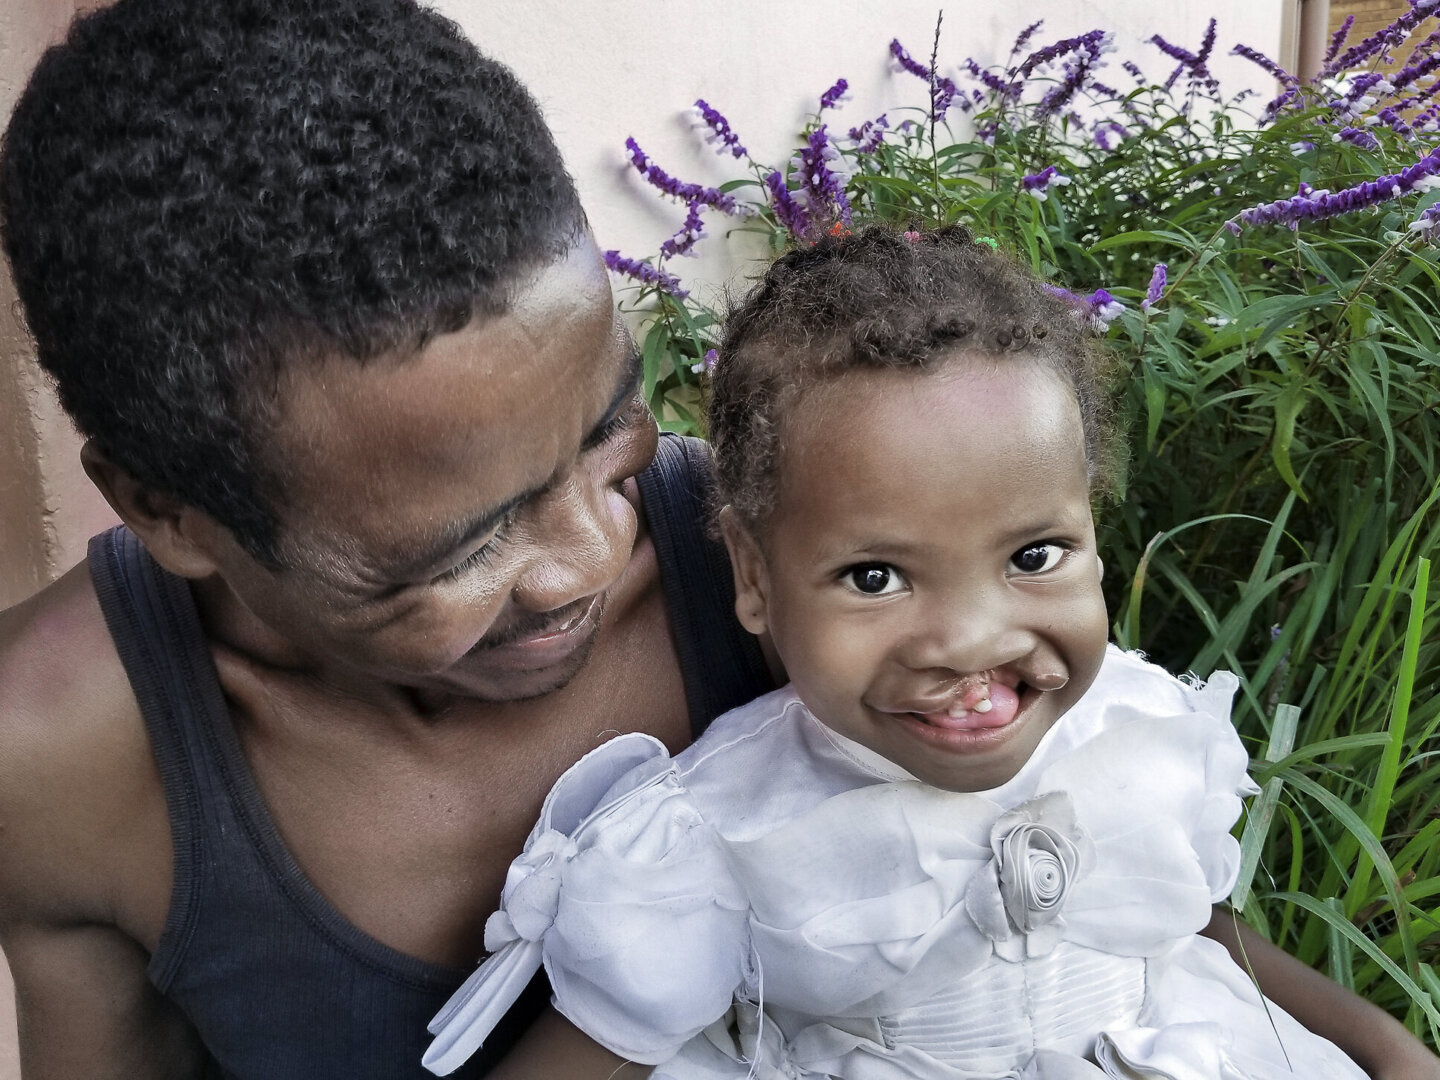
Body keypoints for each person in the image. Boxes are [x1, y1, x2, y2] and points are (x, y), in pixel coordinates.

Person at [423, 227, 1440, 1080]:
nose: (969, 640)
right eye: (876, 577)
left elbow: (1197, 929)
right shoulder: (721, 844)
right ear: (753, 575)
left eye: (1035, 555)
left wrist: (1385, 1048)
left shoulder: (1136, 729)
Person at [0, 1, 775, 1077]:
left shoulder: (786, 571)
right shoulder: (59, 754)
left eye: (608, 427)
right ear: (172, 516)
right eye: (460, 552)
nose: (594, 556)